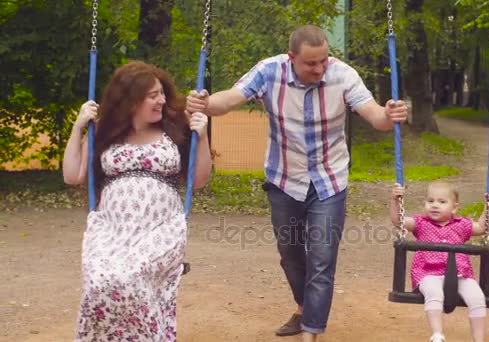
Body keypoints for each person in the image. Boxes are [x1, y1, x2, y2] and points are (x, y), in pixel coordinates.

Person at [186, 24, 408, 342]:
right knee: (290, 254)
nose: (319, 69)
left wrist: (390, 114)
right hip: (284, 179)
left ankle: (311, 333)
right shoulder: (269, 70)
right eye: (311, 63)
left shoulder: (343, 75)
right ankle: (305, 308)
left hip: (329, 181)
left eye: (323, 61)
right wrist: (204, 102)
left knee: (322, 257)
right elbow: (228, 101)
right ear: (292, 58)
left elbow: (375, 117)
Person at [62, 61, 212, 341]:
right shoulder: (104, 134)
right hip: (111, 230)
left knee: (132, 279)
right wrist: (79, 127)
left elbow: (199, 179)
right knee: (99, 283)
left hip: (160, 229)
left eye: (162, 93)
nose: (162, 100)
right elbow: (72, 175)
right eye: (153, 95)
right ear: (130, 100)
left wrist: (201, 137)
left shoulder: (175, 130)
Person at [390, 181, 489, 342]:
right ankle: (437, 335)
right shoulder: (421, 224)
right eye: (430, 201)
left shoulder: (462, 225)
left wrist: (488, 206)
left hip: (460, 274)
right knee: (434, 293)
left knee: (477, 298)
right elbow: (399, 221)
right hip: (428, 273)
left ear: (454, 207)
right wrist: (395, 200)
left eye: (442, 202)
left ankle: (479, 340)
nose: (435, 205)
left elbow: (482, 228)